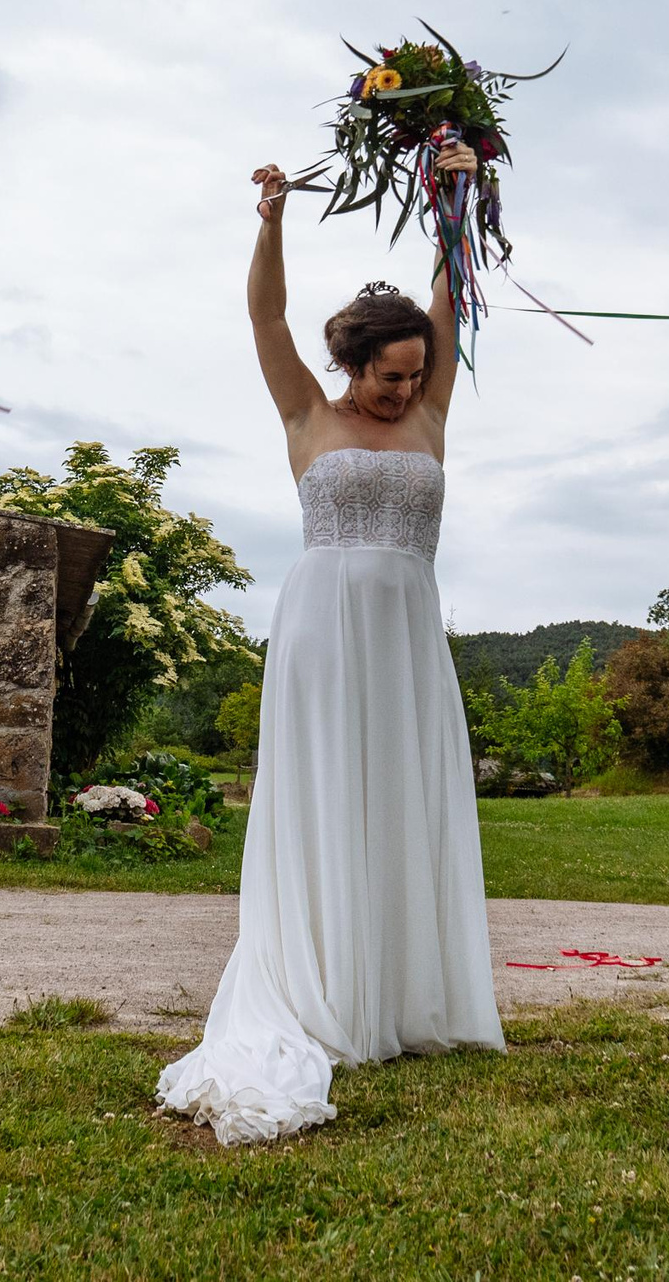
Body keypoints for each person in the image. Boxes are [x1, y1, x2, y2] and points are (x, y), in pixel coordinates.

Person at [157, 141, 503, 1147]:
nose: (402, 393)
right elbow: (264, 318)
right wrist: (270, 220)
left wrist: (452, 187)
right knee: (325, 793)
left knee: (397, 793)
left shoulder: (434, 407)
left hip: (404, 630)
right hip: (320, 628)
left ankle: (395, 997)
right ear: (352, 365)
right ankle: (316, 988)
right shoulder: (306, 410)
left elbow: (454, 291)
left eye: (414, 376)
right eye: (388, 377)